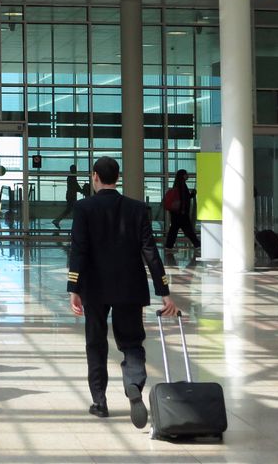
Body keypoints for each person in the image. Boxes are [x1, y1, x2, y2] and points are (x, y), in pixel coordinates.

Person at [68, 156, 178, 426]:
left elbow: (79, 249)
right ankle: (133, 382)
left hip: (94, 288)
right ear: (117, 177)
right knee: (131, 341)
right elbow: (150, 252)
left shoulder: (83, 208)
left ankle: (100, 401)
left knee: (96, 343)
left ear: (95, 176)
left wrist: (74, 287)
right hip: (130, 286)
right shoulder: (137, 209)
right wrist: (164, 291)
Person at [164, 169, 200, 249]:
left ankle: (169, 246)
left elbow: (182, 198)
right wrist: (183, 210)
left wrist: (191, 195)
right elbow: (184, 198)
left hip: (176, 212)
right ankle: (197, 244)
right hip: (181, 213)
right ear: (183, 176)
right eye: (186, 174)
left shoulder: (177, 184)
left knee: (174, 230)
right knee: (187, 230)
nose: (188, 176)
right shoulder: (182, 185)